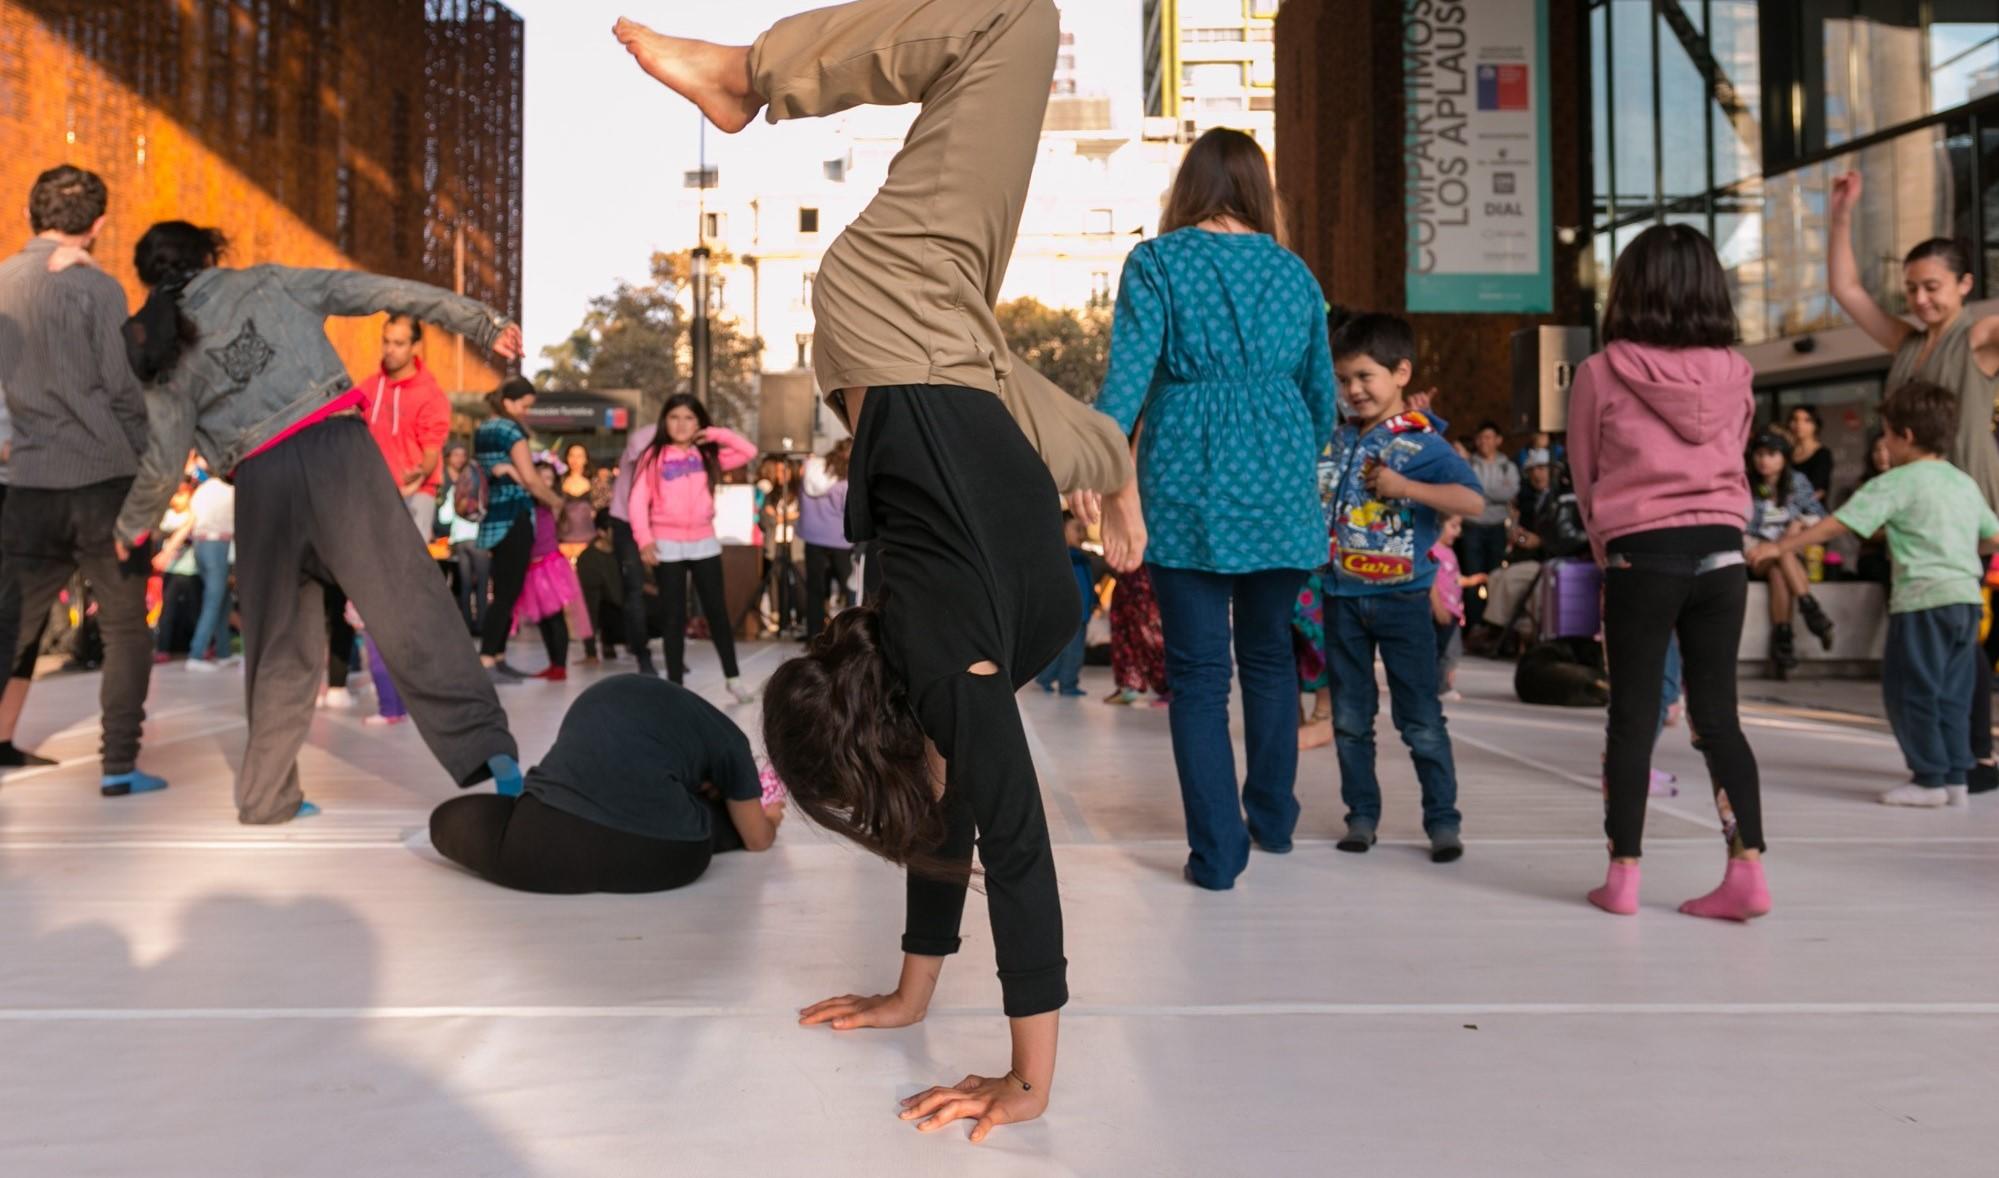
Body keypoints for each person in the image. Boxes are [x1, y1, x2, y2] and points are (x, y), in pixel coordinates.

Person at [617, 0, 1134, 1139]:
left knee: (1014, 17)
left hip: (897, 315)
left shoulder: (942, 664)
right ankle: (1119, 467)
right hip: (953, 360)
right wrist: (911, 995)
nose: (896, 807)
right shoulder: (933, 683)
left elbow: (1018, 851)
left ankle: (749, 77)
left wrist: (1028, 1081)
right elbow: (955, 826)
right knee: (1089, 438)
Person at [111, 220, 529, 823]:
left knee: (277, 645)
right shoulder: (268, 282)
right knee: (408, 604)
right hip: (339, 458)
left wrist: (132, 527)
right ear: (209, 253)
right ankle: (494, 758)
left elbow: (162, 458)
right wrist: (481, 322)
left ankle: (266, 796)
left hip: (261, 486)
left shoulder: (161, 338)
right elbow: (383, 292)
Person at [1092, 127, 1336, 889]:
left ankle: (1218, 854)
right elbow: (1320, 398)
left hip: (1185, 480)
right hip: (1280, 483)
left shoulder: (1157, 262)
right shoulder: (1294, 273)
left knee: (1198, 675)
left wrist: (1098, 468)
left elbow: (1124, 385)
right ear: (1259, 188)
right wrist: (1281, 456)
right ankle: (1273, 818)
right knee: (1268, 657)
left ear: (1188, 186)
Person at [1568, 222, 1768, 920]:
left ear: (1630, 287)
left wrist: (1607, 546)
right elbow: (1736, 456)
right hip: (1722, 551)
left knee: (1631, 716)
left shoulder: (1600, 372)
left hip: (1640, 551)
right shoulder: (1737, 372)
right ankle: (1747, 873)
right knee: (1719, 718)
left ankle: (1622, 877)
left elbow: (1586, 475)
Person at [1828, 169, 1999, 792]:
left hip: (1962, 510)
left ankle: (1971, 757)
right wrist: (1842, 214)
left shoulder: (1978, 338)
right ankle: (1964, 758)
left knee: (1952, 635)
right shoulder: (1907, 343)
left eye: (1933, 287)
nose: (1921, 299)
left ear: (1965, 285)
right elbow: (1846, 289)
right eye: (1911, 288)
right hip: (1916, 517)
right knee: (1952, 633)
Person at [1753, 381, 1999, 808]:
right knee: (1953, 691)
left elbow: (1837, 524)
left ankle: (1928, 779)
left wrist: (1779, 547)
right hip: (1965, 601)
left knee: (1910, 689)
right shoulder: (1962, 482)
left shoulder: (1897, 481)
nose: (1883, 443)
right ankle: (1956, 777)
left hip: (1922, 602)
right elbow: (1993, 536)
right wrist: (1953, 547)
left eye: (1885, 434)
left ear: (1906, 436)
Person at [0, 164, 162, 795]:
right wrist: (148, 457)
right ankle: (119, 765)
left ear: (28, 215)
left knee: (10, 624)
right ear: (97, 225)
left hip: (29, 482)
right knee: (124, 629)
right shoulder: (100, 289)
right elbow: (123, 389)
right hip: (102, 481)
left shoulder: (2, 282)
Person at [1323, 313, 1482, 862]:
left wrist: (1405, 487)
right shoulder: (1337, 440)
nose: (1354, 390)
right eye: (1344, 379)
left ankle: (1443, 821)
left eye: (1365, 376)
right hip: (1341, 598)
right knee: (1349, 720)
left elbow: (1472, 500)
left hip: (1404, 600)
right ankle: (1361, 816)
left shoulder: (1423, 443)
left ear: (1401, 373)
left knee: (1420, 719)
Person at [430, 675, 785, 892]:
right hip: (667, 861)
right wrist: (769, 818)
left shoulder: (606, 695)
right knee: (707, 821)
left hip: (543, 846)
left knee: (447, 818)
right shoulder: (730, 740)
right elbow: (757, 839)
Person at [627, 394, 758, 699]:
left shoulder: (708, 455)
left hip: (704, 543)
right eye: (674, 417)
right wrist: (644, 539)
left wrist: (715, 434)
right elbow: (637, 500)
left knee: (717, 612)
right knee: (673, 617)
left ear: (699, 422)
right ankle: (675, 686)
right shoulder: (652, 456)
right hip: (666, 544)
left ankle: (733, 678)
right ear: (664, 421)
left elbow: (748, 451)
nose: (681, 424)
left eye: (689, 418)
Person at [474, 378, 569, 682]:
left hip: (493, 518)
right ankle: (488, 659)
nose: (526, 412)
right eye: (525, 406)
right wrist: (556, 501)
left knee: (504, 589)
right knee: (507, 594)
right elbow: (530, 478)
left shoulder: (482, 429)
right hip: (515, 517)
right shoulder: (511, 430)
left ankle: (498, 657)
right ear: (509, 403)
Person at [1747, 431, 1835, 675]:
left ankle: (1783, 643)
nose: (1764, 460)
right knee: (1780, 553)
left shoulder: (1798, 481)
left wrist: (1799, 522)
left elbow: (1820, 516)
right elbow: (1740, 526)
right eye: (1759, 454)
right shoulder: (1745, 484)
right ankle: (1811, 610)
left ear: (1784, 457)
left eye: (1771, 454)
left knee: (1780, 565)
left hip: (1791, 555)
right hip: (1755, 551)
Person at [360, 313, 450, 536]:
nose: (389, 349)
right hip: (373, 494)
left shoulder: (431, 395)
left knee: (409, 559)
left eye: (398, 343)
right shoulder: (369, 387)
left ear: (415, 346)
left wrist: (420, 473)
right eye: (386, 341)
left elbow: (432, 450)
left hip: (414, 493)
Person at [512, 455, 590, 681]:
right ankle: (553, 663)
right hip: (532, 566)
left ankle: (560, 665)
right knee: (542, 619)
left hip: (549, 565)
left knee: (555, 616)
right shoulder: (527, 503)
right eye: (540, 477)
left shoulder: (553, 503)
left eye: (549, 478)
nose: (545, 482)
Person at [1032, 513, 1102, 698]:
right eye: (1077, 529)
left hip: (1082, 612)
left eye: (1083, 529)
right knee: (1074, 652)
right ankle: (1067, 684)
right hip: (1071, 614)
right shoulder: (1064, 559)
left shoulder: (1081, 558)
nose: (1082, 533)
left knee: (1064, 650)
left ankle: (1046, 677)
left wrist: (1095, 600)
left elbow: (1088, 582)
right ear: (1060, 532)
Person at [1459, 421, 1519, 630]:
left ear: (1498, 440)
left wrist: (1481, 491)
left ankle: (1494, 625)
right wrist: (1493, 493)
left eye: (1488, 437)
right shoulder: (1468, 464)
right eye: (1480, 438)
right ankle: (1474, 625)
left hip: (1497, 527)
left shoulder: (1507, 466)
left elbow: (1509, 492)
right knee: (1473, 576)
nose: (1484, 442)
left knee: (1497, 576)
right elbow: (1466, 489)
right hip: (1472, 526)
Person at [799, 439, 854, 642]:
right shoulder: (843, 480)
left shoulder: (811, 470)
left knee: (815, 589)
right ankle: (849, 634)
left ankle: (814, 635)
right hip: (840, 539)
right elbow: (848, 509)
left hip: (812, 537)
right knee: (848, 587)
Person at [184, 465, 236, 668]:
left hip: (200, 545)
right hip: (219, 545)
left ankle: (223, 652)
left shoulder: (201, 491)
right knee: (214, 600)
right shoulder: (230, 492)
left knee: (222, 600)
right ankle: (196, 654)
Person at [437, 443, 490, 633]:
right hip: (478, 539)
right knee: (482, 584)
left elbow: (444, 517)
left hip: (459, 541)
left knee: (465, 585)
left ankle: (466, 625)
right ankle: (482, 625)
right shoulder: (483, 486)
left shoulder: (455, 488)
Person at [1105, 564, 1169, 706]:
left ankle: (1168, 686)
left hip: (1149, 572)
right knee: (1122, 629)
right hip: (1127, 575)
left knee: (1149, 630)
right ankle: (1128, 685)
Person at [757, 455, 805, 636]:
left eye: (783, 471)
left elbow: (803, 517)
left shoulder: (800, 493)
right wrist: (782, 518)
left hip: (796, 543)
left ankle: (801, 618)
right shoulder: (771, 495)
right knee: (775, 579)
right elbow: (764, 519)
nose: (780, 475)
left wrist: (782, 518)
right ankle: (778, 617)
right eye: (777, 472)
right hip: (775, 542)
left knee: (800, 579)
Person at [575, 512, 625, 663]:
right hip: (608, 610)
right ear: (602, 532)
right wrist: (591, 652)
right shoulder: (588, 559)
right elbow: (589, 607)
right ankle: (597, 648)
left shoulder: (624, 551)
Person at [1431, 515, 1469, 702]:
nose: (1458, 531)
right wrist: (1437, 606)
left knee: (1451, 651)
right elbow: (1432, 581)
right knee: (1443, 651)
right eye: (1453, 526)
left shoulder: (1449, 552)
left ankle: (1440, 684)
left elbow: (1454, 579)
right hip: (1440, 610)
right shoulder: (1433, 550)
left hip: (1454, 610)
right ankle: (1440, 686)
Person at [1788, 405, 1834, 504]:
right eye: (1795, 419)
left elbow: (1819, 489)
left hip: (1812, 510)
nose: (1799, 425)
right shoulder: (1786, 453)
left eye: (1807, 420)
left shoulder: (1822, 454)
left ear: (1815, 425)